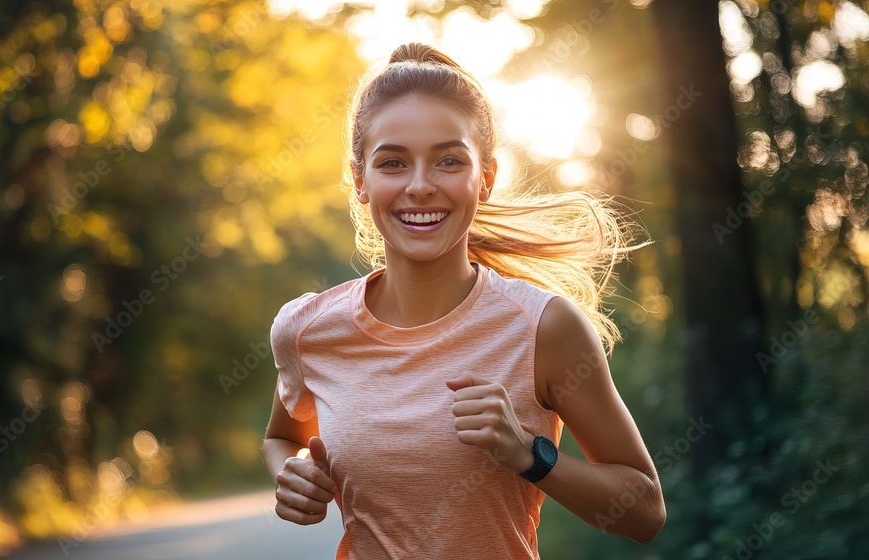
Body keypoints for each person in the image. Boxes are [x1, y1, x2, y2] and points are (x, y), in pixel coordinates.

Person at [261, 42, 666, 559]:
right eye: (393, 163)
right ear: (360, 179)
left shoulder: (542, 328)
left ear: (487, 178)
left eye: (448, 160)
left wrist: (529, 455)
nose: (420, 185)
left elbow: (646, 512)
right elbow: (282, 438)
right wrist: (290, 477)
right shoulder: (308, 330)